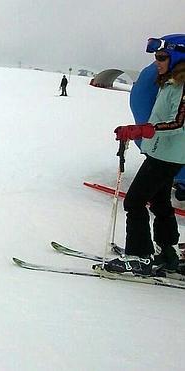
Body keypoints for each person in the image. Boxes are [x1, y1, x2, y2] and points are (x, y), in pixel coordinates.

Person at [104, 35, 185, 276]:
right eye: (156, 57)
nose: (157, 62)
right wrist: (135, 130)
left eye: (162, 57)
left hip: (168, 155)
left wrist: (145, 130)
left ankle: (139, 256)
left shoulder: (183, 87)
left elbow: (179, 124)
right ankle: (167, 251)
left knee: (134, 201)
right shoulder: (170, 83)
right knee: (160, 202)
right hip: (161, 152)